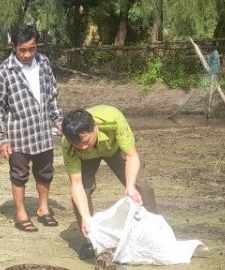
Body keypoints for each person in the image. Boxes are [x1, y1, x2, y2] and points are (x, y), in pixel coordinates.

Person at [0, 26, 62, 232]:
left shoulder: (44, 64)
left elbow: (52, 95)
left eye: (32, 49)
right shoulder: (4, 71)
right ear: (14, 48)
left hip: (43, 131)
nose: (27, 54)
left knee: (45, 172)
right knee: (19, 174)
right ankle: (21, 213)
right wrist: (2, 139)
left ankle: (43, 209)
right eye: (22, 50)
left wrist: (58, 121)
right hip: (18, 134)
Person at [60, 105, 157, 258]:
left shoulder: (113, 119)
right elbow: (76, 184)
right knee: (83, 190)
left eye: (86, 141)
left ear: (95, 128)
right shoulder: (68, 145)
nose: (84, 147)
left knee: (141, 185)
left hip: (114, 148)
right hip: (85, 160)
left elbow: (132, 156)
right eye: (78, 145)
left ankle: (152, 231)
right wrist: (85, 218)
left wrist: (130, 186)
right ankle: (90, 239)